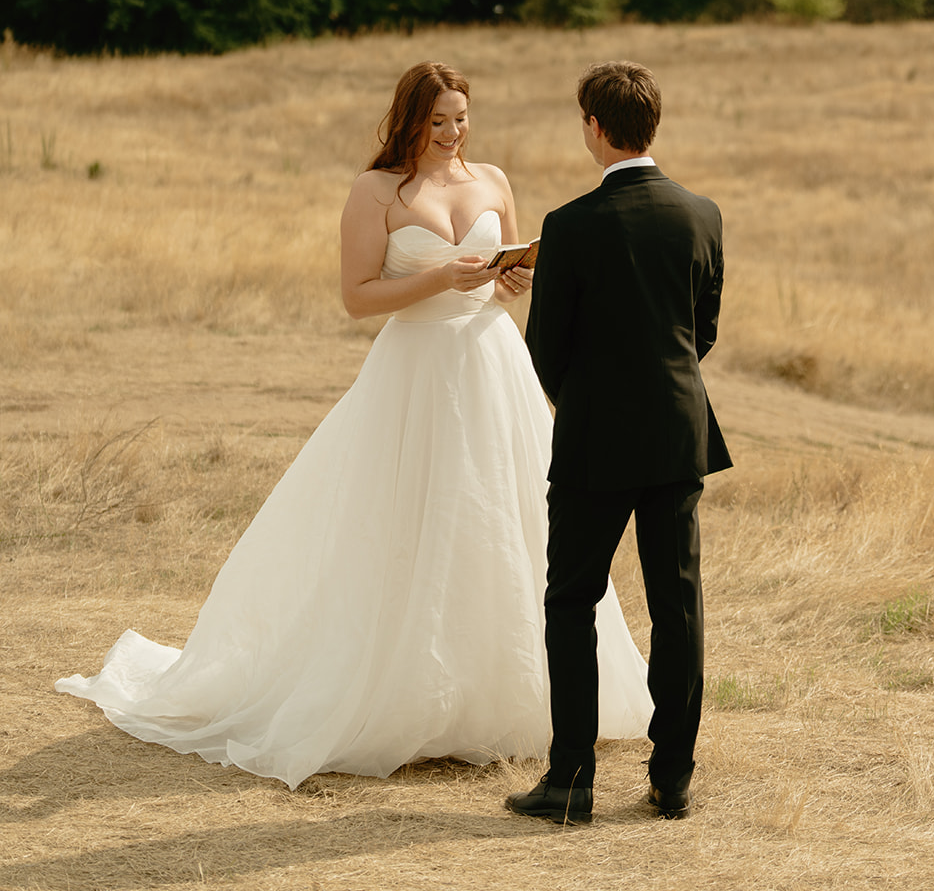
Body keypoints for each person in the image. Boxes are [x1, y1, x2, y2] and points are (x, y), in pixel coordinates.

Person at [56, 62, 652, 787]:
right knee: (405, 527)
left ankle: (509, 690)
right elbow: (357, 297)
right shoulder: (376, 191)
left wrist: (509, 283)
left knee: (504, 522)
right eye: (438, 121)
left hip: (491, 362)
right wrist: (441, 277)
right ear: (408, 120)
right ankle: (402, 693)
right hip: (415, 371)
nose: (452, 133)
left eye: (461, 118)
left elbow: (506, 272)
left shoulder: (492, 179)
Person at [506, 60, 730, 827]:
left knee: (570, 600)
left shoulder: (569, 226)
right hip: (676, 431)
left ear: (594, 128)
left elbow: (545, 348)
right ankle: (671, 780)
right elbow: (700, 331)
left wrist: (588, 402)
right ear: (652, 126)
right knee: (678, 607)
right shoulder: (702, 214)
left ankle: (569, 782)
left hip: (595, 439)